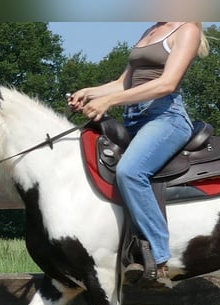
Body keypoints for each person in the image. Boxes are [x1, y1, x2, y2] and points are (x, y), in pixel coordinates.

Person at [68, 22, 210, 288]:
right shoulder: (150, 31)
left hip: (166, 118)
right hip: (134, 119)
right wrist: (91, 93)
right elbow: (122, 83)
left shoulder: (186, 29)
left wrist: (108, 102)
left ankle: (159, 258)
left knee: (130, 171)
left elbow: (167, 84)